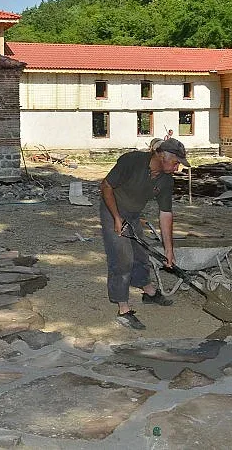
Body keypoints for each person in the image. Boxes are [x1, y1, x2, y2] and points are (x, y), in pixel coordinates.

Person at [99, 137, 189, 329]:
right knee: (122, 258)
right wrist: (116, 217)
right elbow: (105, 186)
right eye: (175, 163)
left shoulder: (166, 180)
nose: (177, 168)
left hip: (133, 214)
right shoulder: (132, 161)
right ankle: (123, 308)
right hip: (112, 209)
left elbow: (165, 214)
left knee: (141, 253)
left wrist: (169, 249)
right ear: (162, 156)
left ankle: (148, 291)